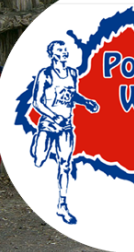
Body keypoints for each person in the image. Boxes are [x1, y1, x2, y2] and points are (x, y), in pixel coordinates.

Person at [30, 40, 100, 225]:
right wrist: (54, 117)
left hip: (66, 126)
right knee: (39, 160)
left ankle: (62, 204)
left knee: (65, 164)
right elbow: (37, 102)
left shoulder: (72, 73)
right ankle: (38, 147)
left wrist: (86, 102)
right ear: (53, 54)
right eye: (60, 50)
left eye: (65, 49)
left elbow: (72, 94)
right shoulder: (45, 74)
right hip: (48, 124)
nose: (64, 52)